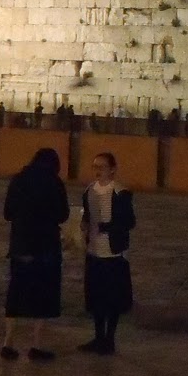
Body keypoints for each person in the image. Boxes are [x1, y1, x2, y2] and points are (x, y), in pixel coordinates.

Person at [1, 147, 69, 360]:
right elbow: (63, 214)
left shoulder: (18, 180)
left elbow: (7, 213)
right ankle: (36, 344)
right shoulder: (54, 182)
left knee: (16, 292)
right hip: (45, 247)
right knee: (44, 295)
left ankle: (8, 343)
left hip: (20, 245)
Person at [79, 151, 136, 354]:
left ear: (112, 169)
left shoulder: (121, 193)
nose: (97, 171)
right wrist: (84, 225)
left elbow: (129, 221)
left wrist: (105, 227)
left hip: (113, 252)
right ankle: (98, 337)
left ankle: (109, 339)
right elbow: (85, 215)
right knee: (96, 297)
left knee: (112, 298)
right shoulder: (89, 191)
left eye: (101, 167)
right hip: (94, 250)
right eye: (95, 166)